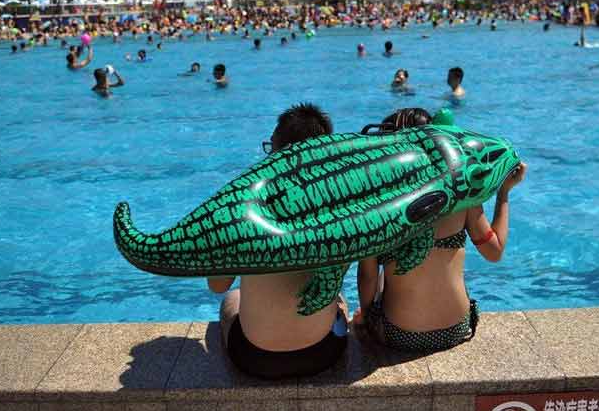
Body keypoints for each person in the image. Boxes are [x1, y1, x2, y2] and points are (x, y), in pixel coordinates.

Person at [354, 107, 527, 352]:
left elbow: (367, 278)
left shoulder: (381, 201)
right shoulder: (461, 195)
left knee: (383, 275)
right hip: (456, 328)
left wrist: (366, 319)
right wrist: (504, 194)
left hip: (399, 333)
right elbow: (494, 252)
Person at [209, 103, 348, 379]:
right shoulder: (341, 199)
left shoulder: (245, 203)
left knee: (231, 299)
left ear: (277, 150)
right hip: (326, 352)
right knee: (339, 298)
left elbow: (217, 285)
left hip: (256, 358)